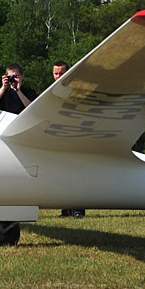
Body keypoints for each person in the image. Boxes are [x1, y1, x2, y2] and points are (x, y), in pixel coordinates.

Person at [51, 61, 85, 219]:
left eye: (61, 73)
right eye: (56, 73)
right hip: (58, 137)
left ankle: (78, 210)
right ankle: (66, 209)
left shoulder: (76, 92)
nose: (58, 77)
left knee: (76, 173)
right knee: (60, 173)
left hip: (74, 137)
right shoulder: (50, 93)